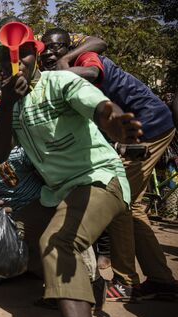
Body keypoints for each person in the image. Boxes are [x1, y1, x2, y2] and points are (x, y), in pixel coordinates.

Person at [0, 22, 143, 317]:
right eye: (6, 57)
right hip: (56, 193)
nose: (15, 63)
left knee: (57, 244)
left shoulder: (59, 81)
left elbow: (97, 105)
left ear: (37, 52)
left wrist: (113, 120)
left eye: (23, 55)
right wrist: (6, 104)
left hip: (99, 179)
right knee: (14, 231)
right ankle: (78, 286)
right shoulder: (11, 101)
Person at [41, 27, 178, 300]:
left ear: (70, 46)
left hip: (146, 125)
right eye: (48, 49)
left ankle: (126, 281)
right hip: (141, 126)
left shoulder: (84, 59)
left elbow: (92, 73)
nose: (53, 53)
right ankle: (161, 280)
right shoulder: (70, 61)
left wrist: (56, 71)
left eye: (59, 47)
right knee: (135, 207)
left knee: (118, 200)